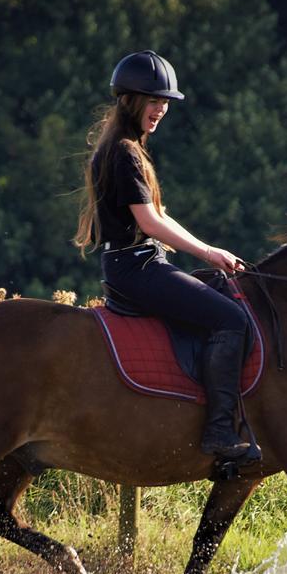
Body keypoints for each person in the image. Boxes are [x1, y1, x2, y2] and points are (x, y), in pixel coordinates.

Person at [74, 50, 253, 461]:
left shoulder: (126, 148)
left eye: (165, 103)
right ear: (129, 101)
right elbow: (151, 223)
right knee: (231, 319)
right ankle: (220, 433)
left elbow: (155, 219)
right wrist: (209, 252)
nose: (160, 110)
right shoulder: (124, 152)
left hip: (139, 263)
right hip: (136, 268)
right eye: (154, 101)